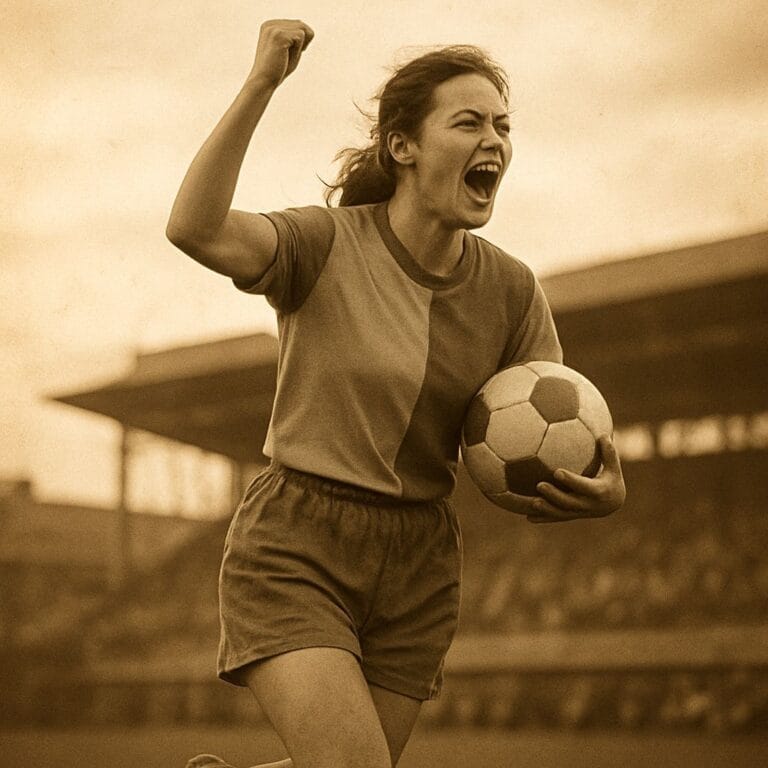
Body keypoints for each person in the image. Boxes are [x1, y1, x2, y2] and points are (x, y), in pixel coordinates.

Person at [167, 18, 626, 768]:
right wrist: (261, 84)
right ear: (402, 147)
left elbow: (561, 439)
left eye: (504, 127)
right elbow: (194, 228)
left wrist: (607, 489)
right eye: (469, 122)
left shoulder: (513, 290)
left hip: (420, 560)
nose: (496, 142)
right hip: (299, 540)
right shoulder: (323, 244)